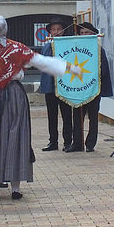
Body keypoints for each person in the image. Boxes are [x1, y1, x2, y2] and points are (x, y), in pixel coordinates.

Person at [0, 15, 81, 200]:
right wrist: (68, 67)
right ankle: (15, 189)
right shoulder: (17, 48)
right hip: (14, 95)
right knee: (15, 136)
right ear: (6, 28)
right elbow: (42, 62)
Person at [67, 21, 113, 153]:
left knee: (93, 117)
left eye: (86, 32)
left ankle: (90, 143)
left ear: (93, 34)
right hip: (78, 90)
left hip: (93, 89)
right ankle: (77, 143)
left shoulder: (98, 50)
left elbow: (103, 70)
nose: (83, 34)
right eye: (81, 33)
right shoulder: (74, 51)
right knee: (77, 117)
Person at [39, 17, 73, 152]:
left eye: (59, 29)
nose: (56, 32)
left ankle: (67, 141)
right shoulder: (46, 47)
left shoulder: (68, 46)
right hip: (50, 86)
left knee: (66, 114)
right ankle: (53, 141)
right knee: (51, 116)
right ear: (50, 32)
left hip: (64, 85)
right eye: (54, 29)